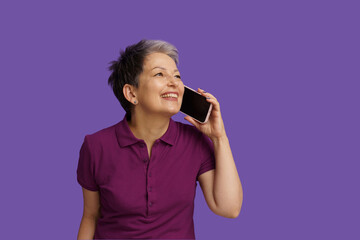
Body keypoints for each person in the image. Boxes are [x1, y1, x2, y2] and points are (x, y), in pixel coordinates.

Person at [76, 39, 243, 240]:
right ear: (131, 93)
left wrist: (219, 138)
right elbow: (91, 216)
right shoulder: (96, 146)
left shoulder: (195, 142)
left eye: (177, 76)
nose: (174, 82)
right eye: (159, 74)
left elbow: (228, 208)